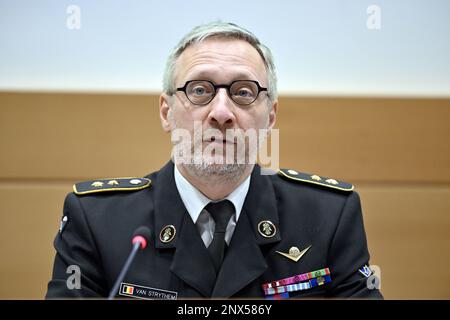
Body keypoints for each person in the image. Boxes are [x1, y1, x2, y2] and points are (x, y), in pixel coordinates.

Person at [46, 21, 382, 299]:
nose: (221, 113)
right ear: (166, 112)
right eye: (200, 90)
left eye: (244, 92)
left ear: (270, 116)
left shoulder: (330, 216)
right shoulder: (97, 220)